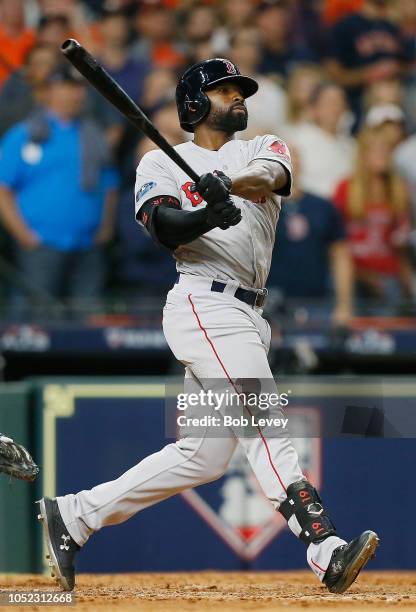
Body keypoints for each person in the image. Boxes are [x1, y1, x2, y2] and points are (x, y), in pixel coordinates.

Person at [37, 58, 378, 593]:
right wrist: (205, 213)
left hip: (249, 310)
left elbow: (273, 176)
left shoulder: (262, 146)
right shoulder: (159, 164)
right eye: (224, 91)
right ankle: (323, 544)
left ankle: (77, 513)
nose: (237, 98)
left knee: (203, 456)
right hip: (204, 304)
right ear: (194, 104)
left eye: (240, 90)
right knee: (262, 415)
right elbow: (164, 226)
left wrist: (225, 184)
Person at [0, 66, 118, 312]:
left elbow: (110, 185)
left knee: (89, 320)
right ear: (48, 93)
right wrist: (22, 234)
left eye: (77, 89)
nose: (72, 95)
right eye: (64, 88)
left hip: (87, 244)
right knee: (35, 322)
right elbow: (3, 189)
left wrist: (105, 227)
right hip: (40, 244)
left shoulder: (93, 134)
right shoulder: (26, 134)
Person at [268, 146, 353, 325]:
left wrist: (344, 305)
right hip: (269, 304)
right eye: (283, 156)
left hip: (318, 304)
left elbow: (340, 255)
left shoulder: (322, 207)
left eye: (294, 156)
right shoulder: (260, 206)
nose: (290, 162)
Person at [334, 126, 412, 306]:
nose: (383, 155)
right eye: (376, 150)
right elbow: (337, 243)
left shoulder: (399, 190)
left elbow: (400, 248)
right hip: (354, 276)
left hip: (388, 277)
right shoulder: (345, 188)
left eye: (387, 150)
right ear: (363, 155)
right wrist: (362, 275)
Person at [325, 0, 404, 120]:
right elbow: (334, 76)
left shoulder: (393, 27)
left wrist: (396, 70)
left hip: (395, 94)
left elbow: (405, 66)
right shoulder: (344, 26)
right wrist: (370, 74)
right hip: (358, 99)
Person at [285, 82, 356, 200]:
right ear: (314, 109)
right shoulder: (297, 139)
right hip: (313, 207)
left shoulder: (352, 145)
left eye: (340, 103)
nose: (337, 108)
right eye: (330, 103)